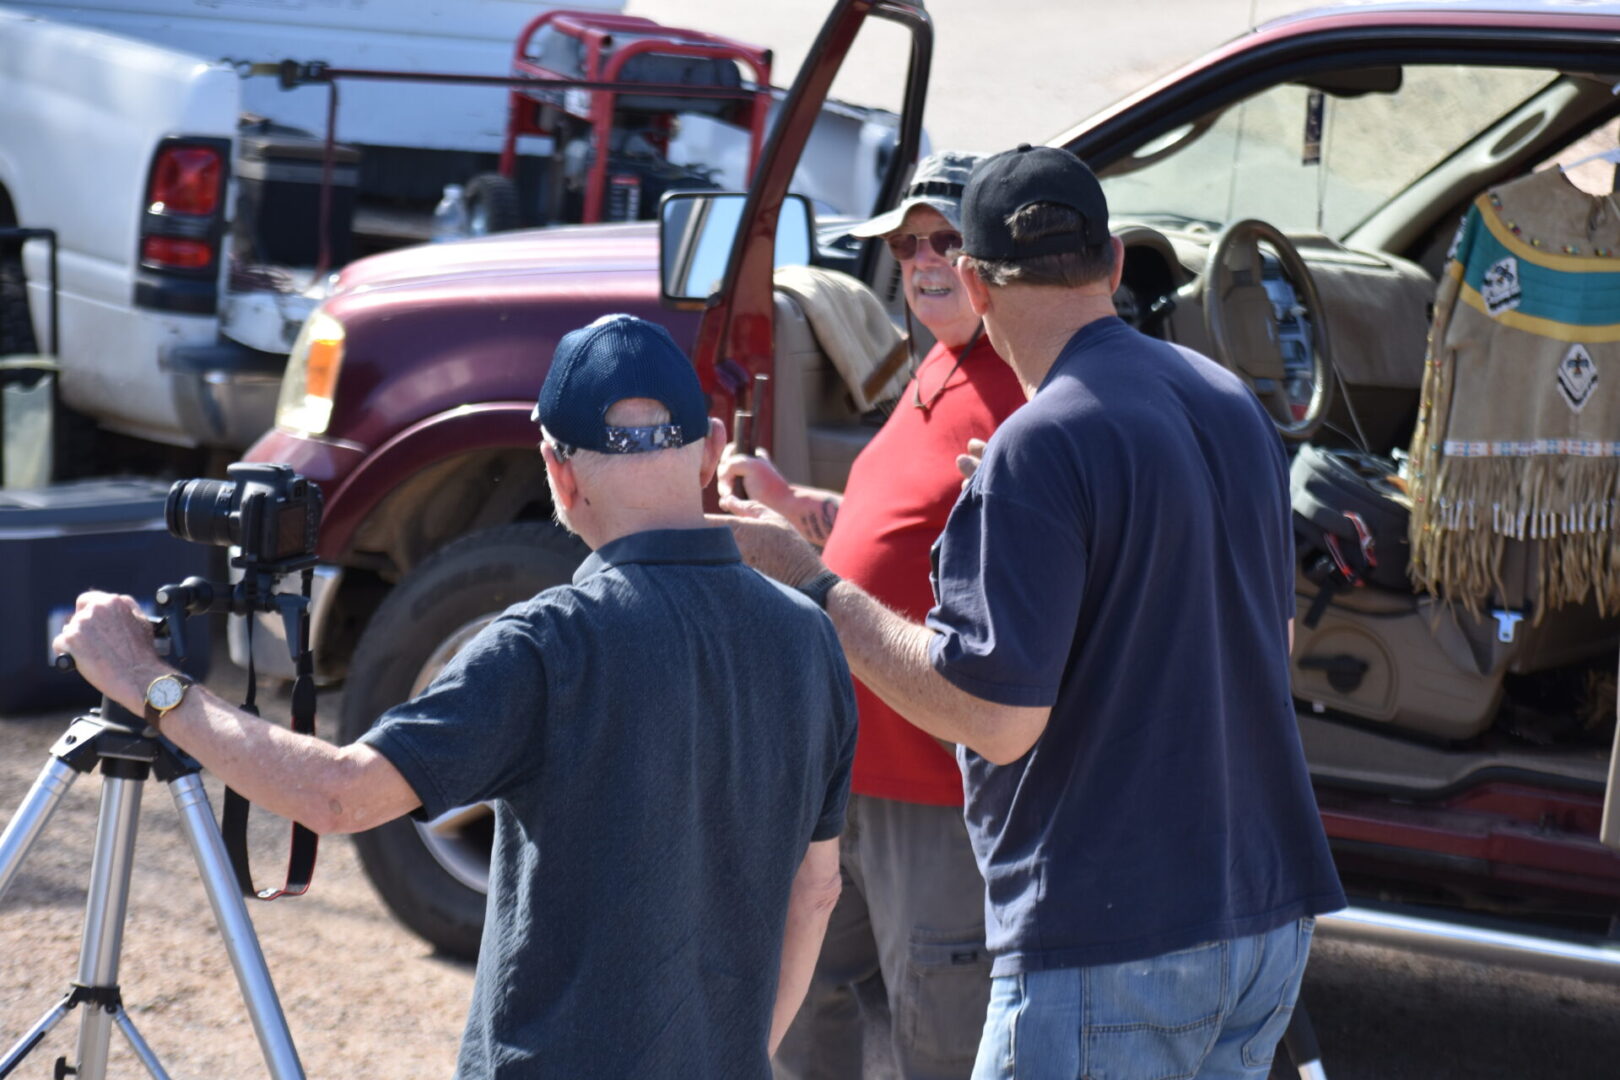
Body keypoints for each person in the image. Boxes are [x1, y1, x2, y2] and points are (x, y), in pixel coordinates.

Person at [54, 314, 858, 1079]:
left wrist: (148, 684)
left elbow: (339, 796)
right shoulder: (808, 635)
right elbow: (816, 891)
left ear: (558, 471)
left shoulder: (552, 642)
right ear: (711, 446)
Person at [720, 146, 1345, 1079]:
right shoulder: (1228, 401)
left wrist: (808, 582)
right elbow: (1273, 637)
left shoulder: (1040, 442)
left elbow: (995, 719)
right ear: (1115, 264)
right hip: (1262, 917)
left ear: (973, 282)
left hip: (1114, 936)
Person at [719, 150, 1025, 1080]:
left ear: (991, 260)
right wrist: (790, 503)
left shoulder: (1021, 387)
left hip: (937, 782)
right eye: (907, 242)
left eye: (945, 239)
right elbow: (895, 529)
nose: (923, 259)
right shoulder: (939, 367)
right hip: (847, 762)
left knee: (946, 1032)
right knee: (798, 986)